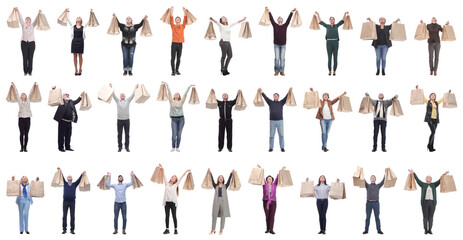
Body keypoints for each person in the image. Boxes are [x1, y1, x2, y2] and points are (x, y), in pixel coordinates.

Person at [408, 169, 450, 234]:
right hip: (425, 202)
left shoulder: (434, 184)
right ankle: (425, 229)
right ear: (425, 179)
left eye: (429, 177)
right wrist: (413, 173)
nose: (428, 177)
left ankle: (430, 229)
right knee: (425, 217)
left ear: (431, 179)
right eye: (427, 177)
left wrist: (444, 174)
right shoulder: (423, 184)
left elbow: (440, 180)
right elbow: (417, 179)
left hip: (432, 203)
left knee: (431, 217)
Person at [158, 164, 190, 235]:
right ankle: (167, 229)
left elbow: (181, 178)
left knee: (174, 216)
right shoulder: (166, 183)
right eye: (172, 177)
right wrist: (161, 167)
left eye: (175, 178)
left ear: (176, 180)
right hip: (166, 203)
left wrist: (186, 171)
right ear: (171, 178)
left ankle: (175, 229)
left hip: (173, 203)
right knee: (167, 216)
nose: (173, 178)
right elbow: (164, 175)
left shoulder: (175, 185)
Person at [259, 87, 292, 152]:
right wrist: (262, 92)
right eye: (274, 95)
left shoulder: (281, 102)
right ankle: (271, 148)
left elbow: (286, 97)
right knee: (271, 135)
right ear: (273, 97)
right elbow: (266, 98)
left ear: (278, 97)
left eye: (276, 95)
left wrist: (289, 91)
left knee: (281, 135)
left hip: (280, 121)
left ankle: (282, 147)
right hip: (272, 121)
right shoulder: (270, 102)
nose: (275, 96)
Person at [315, 11, 348, 76]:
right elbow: (320, 21)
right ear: (329, 20)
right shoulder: (327, 26)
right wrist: (318, 14)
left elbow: (343, 20)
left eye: (333, 19)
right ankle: (330, 70)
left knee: (335, 57)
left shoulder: (336, 25)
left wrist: (345, 14)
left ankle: (334, 71)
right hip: (329, 42)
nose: (332, 20)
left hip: (335, 42)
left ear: (334, 20)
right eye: (331, 19)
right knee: (329, 57)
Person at [52, 86, 84, 152]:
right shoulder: (60, 101)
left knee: (68, 135)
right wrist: (53, 90)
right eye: (65, 94)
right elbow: (54, 98)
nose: (67, 95)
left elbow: (77, 101)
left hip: (69, 122)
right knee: (61, 135)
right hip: (62, 121)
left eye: (68, 94)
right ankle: (61, 147)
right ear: (62, 96)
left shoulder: (71, 102)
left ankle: (67, 147)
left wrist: (81, 95)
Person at [164, 82, 193, 152]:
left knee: (179, 134)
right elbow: (169, 93)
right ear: (173, 96)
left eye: (178, 94)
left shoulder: (181, 101)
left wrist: (189, 87)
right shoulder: (171, 101)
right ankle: (173, 146)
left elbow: (185, 95)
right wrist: (167, 85)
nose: (176, 95)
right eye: (175, 94)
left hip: (181, 119)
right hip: (173, 119)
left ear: (179, 96)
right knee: (174, 135)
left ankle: (177, 147)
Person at [418, 85, 449, 152]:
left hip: (435, 119)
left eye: (434, 95)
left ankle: (431, 147)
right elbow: (422, 96)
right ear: (430, 97)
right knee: (433, 132)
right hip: (430, 119)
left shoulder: (436, 103)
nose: (433, 96)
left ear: (435, 97)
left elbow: (443, 98)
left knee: (434, 133)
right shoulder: (428, 102)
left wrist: (448, 93)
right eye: (432, 95)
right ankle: (429, 145)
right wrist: (418, 89)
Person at [266, 7, 295, 76]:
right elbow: (271, 19)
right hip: (276, 44)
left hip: (283, 44)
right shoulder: (275, 25)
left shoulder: (285, 25)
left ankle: (282, 71)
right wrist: (268, 11)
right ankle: (276, 71)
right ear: (277, 20)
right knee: (276, 58)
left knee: (282, 58)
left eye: (281, 18)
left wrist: (292, 11)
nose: (279, 19)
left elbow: (289, 19)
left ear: (282, 20)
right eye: (278, 18)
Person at [110, 83, 138, 152]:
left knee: (127, 134)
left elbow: (133, 95)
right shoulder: (117, 101)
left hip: (127, 120)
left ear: (125, 96)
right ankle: (120, 147)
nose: (122, 95)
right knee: (119, 134)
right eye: (121, 94)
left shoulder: (128, 100)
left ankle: (127, 147)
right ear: (120, 96)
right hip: (119, 120)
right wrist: (111, 87)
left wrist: (135, 88)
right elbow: (113, 94)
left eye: (123, 94)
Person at [258, 165, 286, 235]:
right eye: (268, 178)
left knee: (272, 215)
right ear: (267, 179)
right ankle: (267, 229)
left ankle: (271, 229)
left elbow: (278, 177)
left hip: (273, 201)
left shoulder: (275, 184)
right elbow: (262, 177)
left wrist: (281, 169)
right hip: (265, 201)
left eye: (270, 178)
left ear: (272, 180)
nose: (269, 179)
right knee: (267, 215)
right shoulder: (264, 184)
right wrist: (260, 168)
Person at [57, 167, 84, 235]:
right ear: (67, 179)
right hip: (65, 202)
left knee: (72, 216)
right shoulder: (65, 184)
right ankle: (64, 229)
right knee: (64, 216)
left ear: (71, 179)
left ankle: (72, 230)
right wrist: (60, 170)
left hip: (72, 202)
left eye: (70, 177)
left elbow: (79, 179)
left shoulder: (74, 184)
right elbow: (61, 176)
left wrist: (82, 174)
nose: (69, 177)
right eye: (68, 177)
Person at [11, 82, 37, 152]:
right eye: (22, 94)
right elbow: (16, 93)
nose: (23, 95)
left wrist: (33, 85)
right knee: (21, 133)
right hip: (21, 119)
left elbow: (31, 93)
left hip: (28, 118)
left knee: (26, 134)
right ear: (21, 96)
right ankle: (21, 147)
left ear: (25, 96)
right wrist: (14, 85)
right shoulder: (19, 101)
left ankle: (25, 147)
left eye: (24, 94)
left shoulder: (28, 100)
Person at [66, 9, 92, 76]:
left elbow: (89, 20)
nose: (78, 17)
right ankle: (76, 69)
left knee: (80, 55)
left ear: (81, 20)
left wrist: (90, 12)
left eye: (79, 17)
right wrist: (67, 11)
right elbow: (68, 19)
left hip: (81, 41)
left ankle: (80, 68)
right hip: (74, 41)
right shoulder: (72, 25)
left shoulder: (83, 27)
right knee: (74, 55)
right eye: (77, 17)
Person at [209, 169, 234, 235]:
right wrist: (210, 173)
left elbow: (229, 180)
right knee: (214, 215)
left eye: (222, 178)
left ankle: (221, 229)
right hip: (216, 202)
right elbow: (212, 180)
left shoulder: (225, 186)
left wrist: (231, 173)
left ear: (223, 180)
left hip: (223, 202)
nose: (220, 179)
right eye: (219, 178)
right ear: (218, 179)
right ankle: (213, 229)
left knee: (223, 215)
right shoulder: (215, 186)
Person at [15, 8, 39, 76]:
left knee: (30, 58)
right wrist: (18, 10)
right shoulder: (23, 25)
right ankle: (25, 71)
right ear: (25, 21)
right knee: (25, 58)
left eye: (29, 19)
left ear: (30, 21)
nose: (28, 20)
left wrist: (39, 13)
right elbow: (20, 18)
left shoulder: (32, 25)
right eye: (27, 19)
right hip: (24, 43)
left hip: (31, 43)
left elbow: (36, 20)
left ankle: (30, 71)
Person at [169, 7, 188, 76]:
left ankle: (177, 70)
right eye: (176, 19)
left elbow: (185, 18)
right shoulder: (173, 26)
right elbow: (171, 17)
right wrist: (172, 11)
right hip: (174, 43)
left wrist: (184, 11)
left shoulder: (182, 26)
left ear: (180, 21)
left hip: (180, 44)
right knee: (173, 57)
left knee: (179, 58)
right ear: (175, 20)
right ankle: (173, 71)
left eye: (179, 19)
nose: (177, 20)